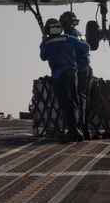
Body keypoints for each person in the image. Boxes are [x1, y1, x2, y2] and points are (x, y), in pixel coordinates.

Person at [39, 17, 89, 143]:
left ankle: (73, 130)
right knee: (75, 100)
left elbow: (43, 57)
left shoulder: (46, 43)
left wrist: (44, 40)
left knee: (65, 102)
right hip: (73, 73)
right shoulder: (69, 38)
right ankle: (78, 129)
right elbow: (86, 47)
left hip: (59, 74)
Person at [60, 10, 92, 138]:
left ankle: (79, 128)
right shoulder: (78, 33)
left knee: (77, 99)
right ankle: (85, 129)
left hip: (79, 70)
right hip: (86, 68)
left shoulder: (69, 35)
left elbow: (76, 51)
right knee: (84, 99)